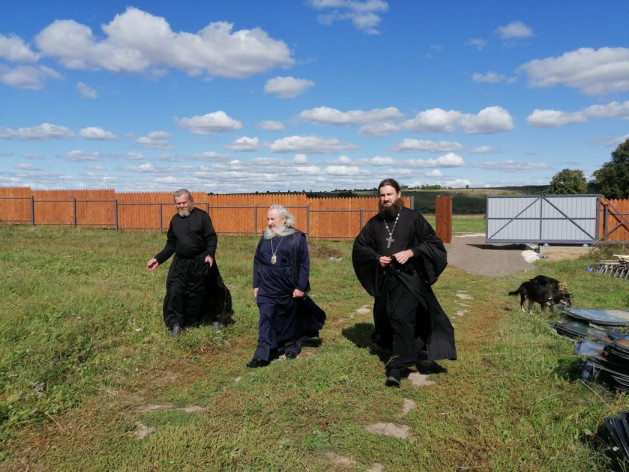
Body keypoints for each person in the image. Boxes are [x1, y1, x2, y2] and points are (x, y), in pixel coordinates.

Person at [352, 179, 456, 387]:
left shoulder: (413, 218)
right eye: (382, 195)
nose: (386, 199)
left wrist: (411, 252)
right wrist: (376, 258)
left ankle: (397, 367)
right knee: (390, 318)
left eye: (389, 194)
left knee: (401, 317)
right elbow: (361, 247)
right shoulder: (375, 223)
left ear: (399, 194)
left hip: (410, 279)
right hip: (387, 281)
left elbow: (433, 243)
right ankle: (414, 350)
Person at [247, 204, 326, 367]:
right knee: (266, 317)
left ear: (283, 219)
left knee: (288, 319)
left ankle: (291, 346)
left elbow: (304, 263)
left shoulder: (296, 237)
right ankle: (261, 355)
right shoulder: (266, 236)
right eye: (268, 219)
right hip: (266, 288)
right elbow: (257, 260)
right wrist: (256, 284)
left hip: (288, 288)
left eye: (272, 219)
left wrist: (300, 287)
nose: (269, 223)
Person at [147, 189, 232, 336]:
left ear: (191, 201)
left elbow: (211, 237)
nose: (181, 206)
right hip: (180, 263)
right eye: (178, 203)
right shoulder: (175, 220)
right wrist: (158, 259)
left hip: (201, 261)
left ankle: (215, 318)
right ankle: (176, 324)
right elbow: (171, 244)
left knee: (210, 290)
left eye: (184, 202)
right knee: (174, 290)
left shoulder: (202, 217)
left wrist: (210, 254)